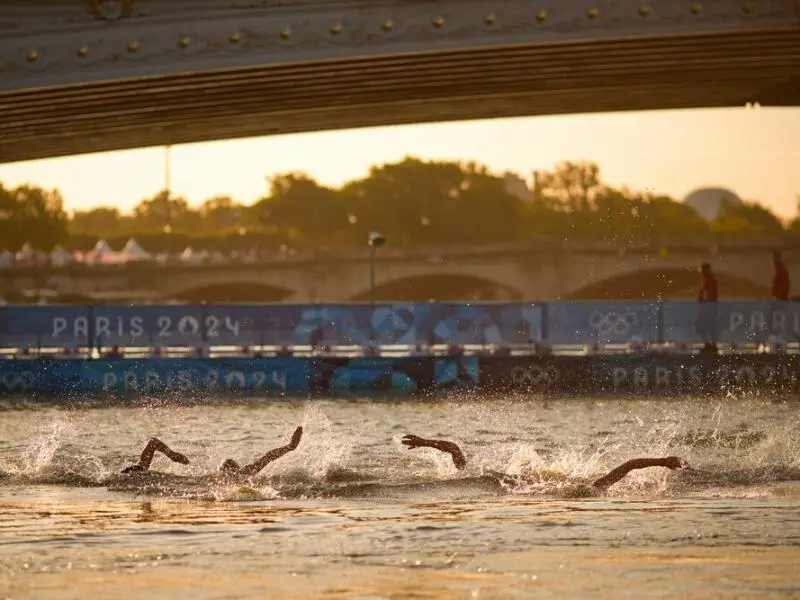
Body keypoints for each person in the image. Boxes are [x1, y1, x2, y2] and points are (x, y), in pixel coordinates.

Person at [400, 434, 688, 492]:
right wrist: (663, 461)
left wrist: (663, 461)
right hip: (512, 482)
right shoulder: (594, 487)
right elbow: (629, 465)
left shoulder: (594, 489)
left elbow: (630, 465)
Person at [121, 426, 303, 478]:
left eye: (230, 465)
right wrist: (171, 454)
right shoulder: (199, 472)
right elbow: (267, 458)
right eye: (228, 464)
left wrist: (290, 447)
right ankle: (139, 470)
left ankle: (139, 471)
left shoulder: (239, 477)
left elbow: (266, 459)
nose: (227, 463)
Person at [696, 262, 719, 353]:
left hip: (709, 306)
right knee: (706, 325)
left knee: (706, 325)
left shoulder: (710, 280)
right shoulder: (707, 279)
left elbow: (710, 294)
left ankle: (711, 344)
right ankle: (709, 344)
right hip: (708, 305)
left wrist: (704, 302)